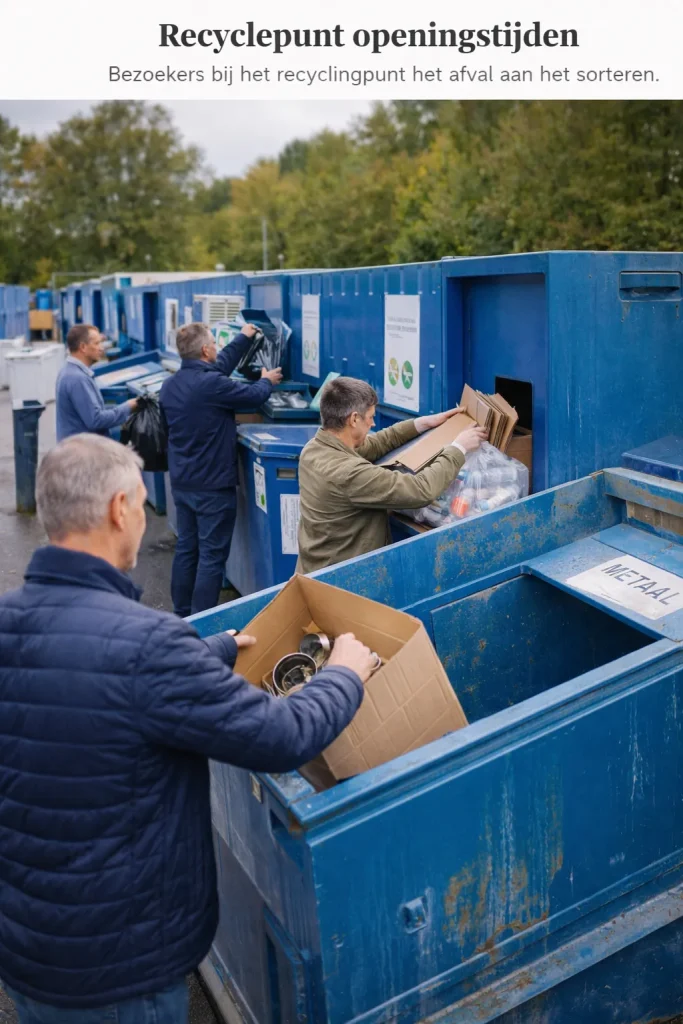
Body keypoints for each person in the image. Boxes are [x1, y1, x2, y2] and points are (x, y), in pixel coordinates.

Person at [0, 434, 374, 1024]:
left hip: (31, 949)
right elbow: (283, 737)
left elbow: (87, 679)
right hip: (123, 974)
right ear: (119, 510)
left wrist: (213, 650)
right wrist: (346, 674)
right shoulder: (147, 646)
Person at [297, 377, 487, 573]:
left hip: (316, 569)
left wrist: (423, 423)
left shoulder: (314, 449)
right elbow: (420, 490)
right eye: (370, 417)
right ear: (354, 419)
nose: (372, 424)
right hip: (341, 581)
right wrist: (458, 448)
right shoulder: (347, 473)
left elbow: (378, 443)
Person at [160, 322, 283, 618]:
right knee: (212, 556)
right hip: (212, 487)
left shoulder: (171, 384)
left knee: (188, 549)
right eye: (214, 343)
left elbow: (218, 367)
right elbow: (253, 396)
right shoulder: (211, 385)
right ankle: (202, 620)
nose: (216, 347)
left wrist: (243, 338)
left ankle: (181, 613)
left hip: (183, 483)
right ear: (205, 350)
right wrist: (266, 380)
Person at [55, 324, 138, 442]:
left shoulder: (69, 371)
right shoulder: (77, 379)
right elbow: (96, 420)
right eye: (97, 343)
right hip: (82, 454)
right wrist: (129, 407)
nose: (101, 348)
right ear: (83, 347)